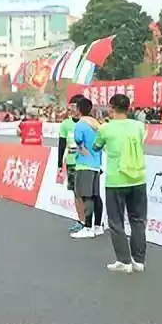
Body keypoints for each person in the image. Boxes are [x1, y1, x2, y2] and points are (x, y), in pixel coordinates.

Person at [93, 94, 148, 273]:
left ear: (111, 108)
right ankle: (138, 260)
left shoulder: (105, 128)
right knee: (138, 220)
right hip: (138, 178)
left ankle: (124, 261)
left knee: (116, 222)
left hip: (117, 180)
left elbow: (96, 146)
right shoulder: (139, 126)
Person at [71, 98, 105, 239]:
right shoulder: (96, 124)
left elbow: (78, 140)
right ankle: (97, 226)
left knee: (87, 196)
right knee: (96, 195)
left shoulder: (81, 124)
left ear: (79, 110)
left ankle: (88, 227)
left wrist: (80, 148)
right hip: (96, 164)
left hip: (84, 164)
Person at [57, 96, 88, 232]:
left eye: (75, 106)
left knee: (88, 194)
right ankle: (81, 220)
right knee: (77, 194)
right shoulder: (65, 124)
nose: (72, 110)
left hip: (87, 164)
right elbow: (61, 144)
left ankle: (91, 221)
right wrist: (59, 165)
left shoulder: (88, 123)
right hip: (72, 163)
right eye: (71, 107)